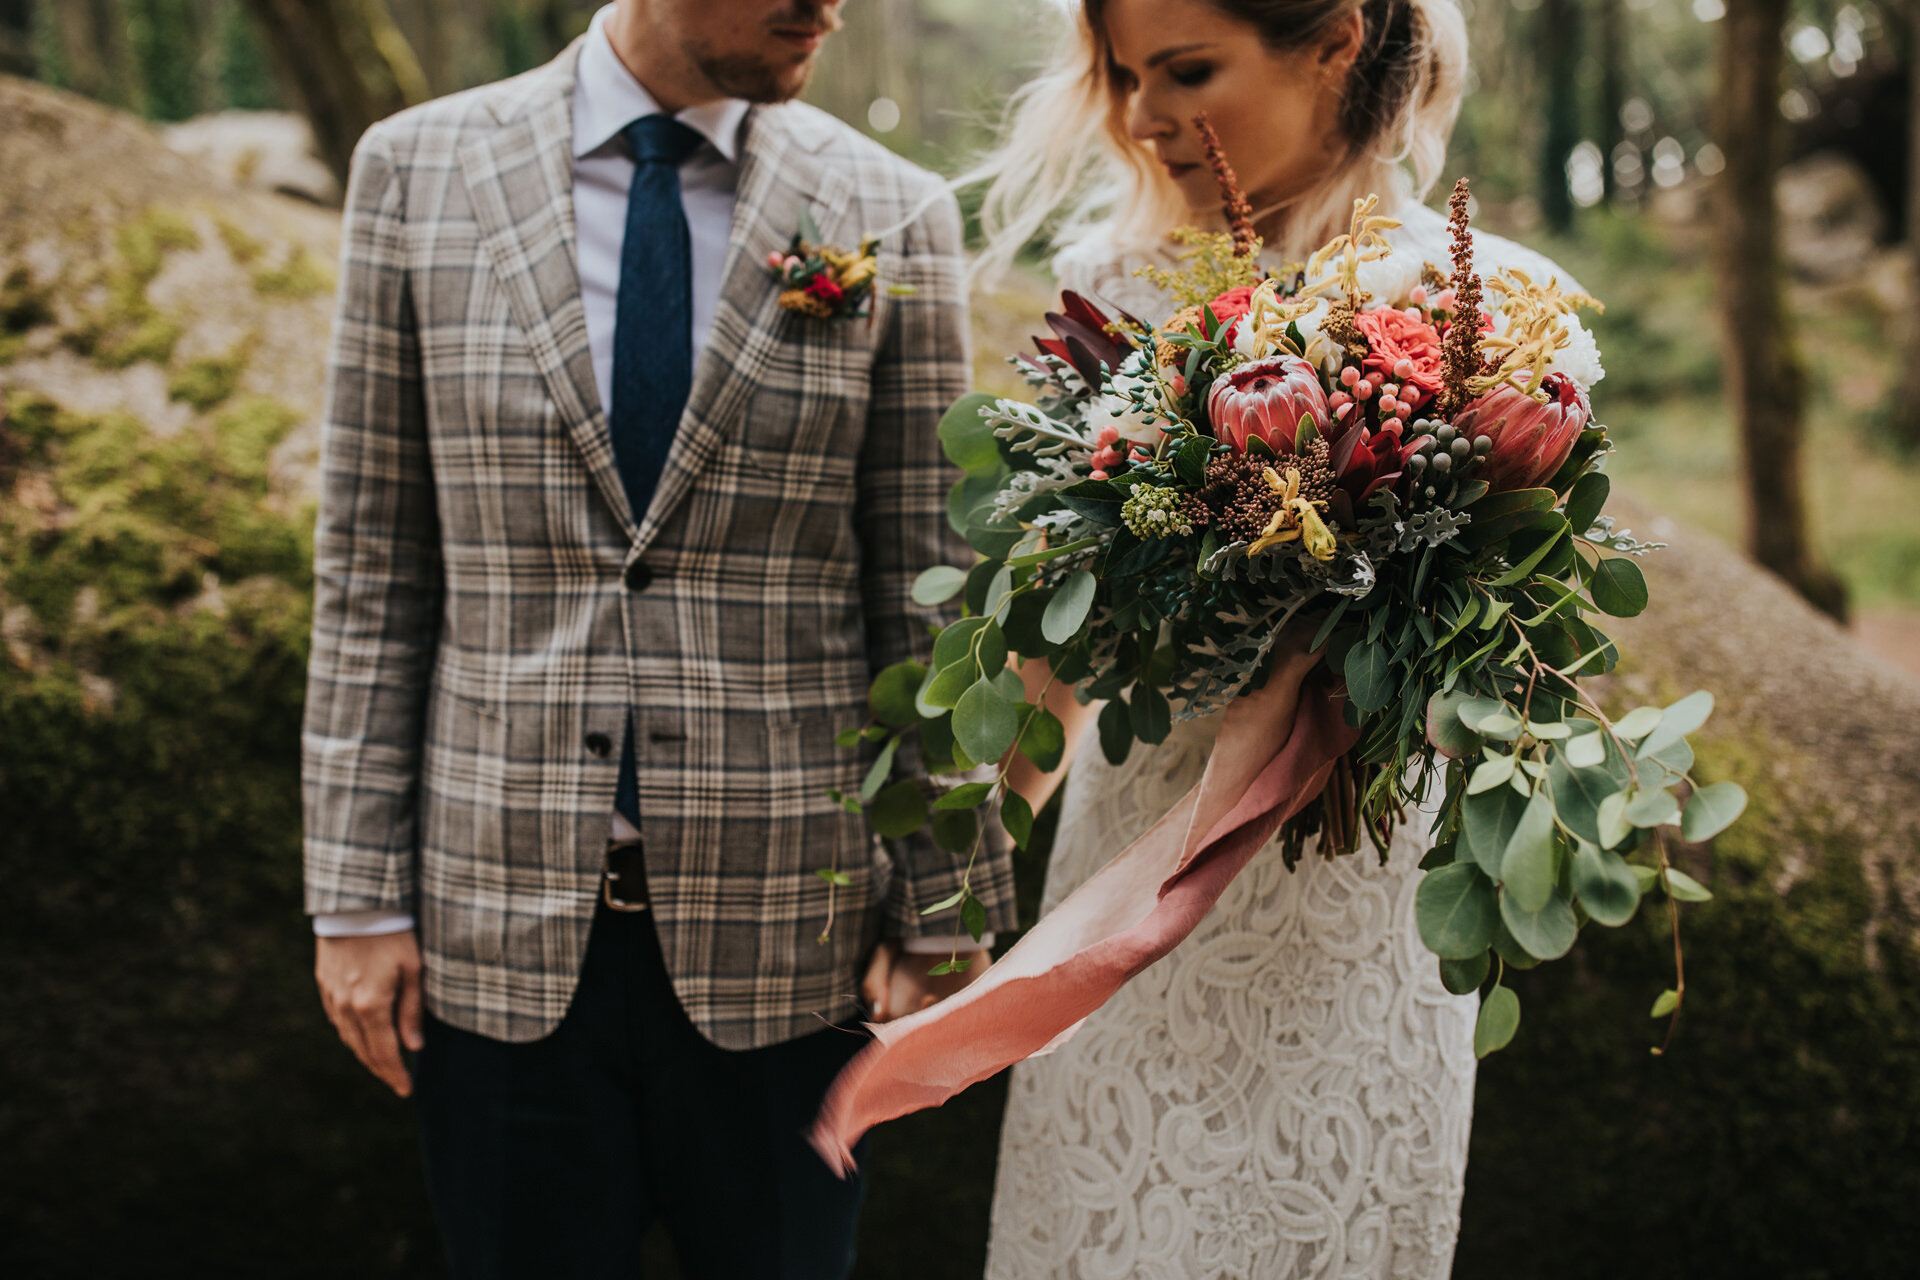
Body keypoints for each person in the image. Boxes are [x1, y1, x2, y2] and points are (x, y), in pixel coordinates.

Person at [300, 2, 1014, 1275]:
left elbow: (928, 586)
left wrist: (950, 898)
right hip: (495, 939)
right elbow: (372, 560)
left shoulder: (893, 207)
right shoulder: (414, 169)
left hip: (795, 945)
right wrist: (354, 894)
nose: (828, 7)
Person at [966, 1, 1585, 1275]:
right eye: (1128, 77)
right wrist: (969, 865)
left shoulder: (1503, 318)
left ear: (1335, 43)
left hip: (1351, 941)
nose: (1140, 117)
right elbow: (1053, 641)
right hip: (1120, 904)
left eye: (1187, 72)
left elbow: (1518, 659)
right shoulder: (1118, 293)